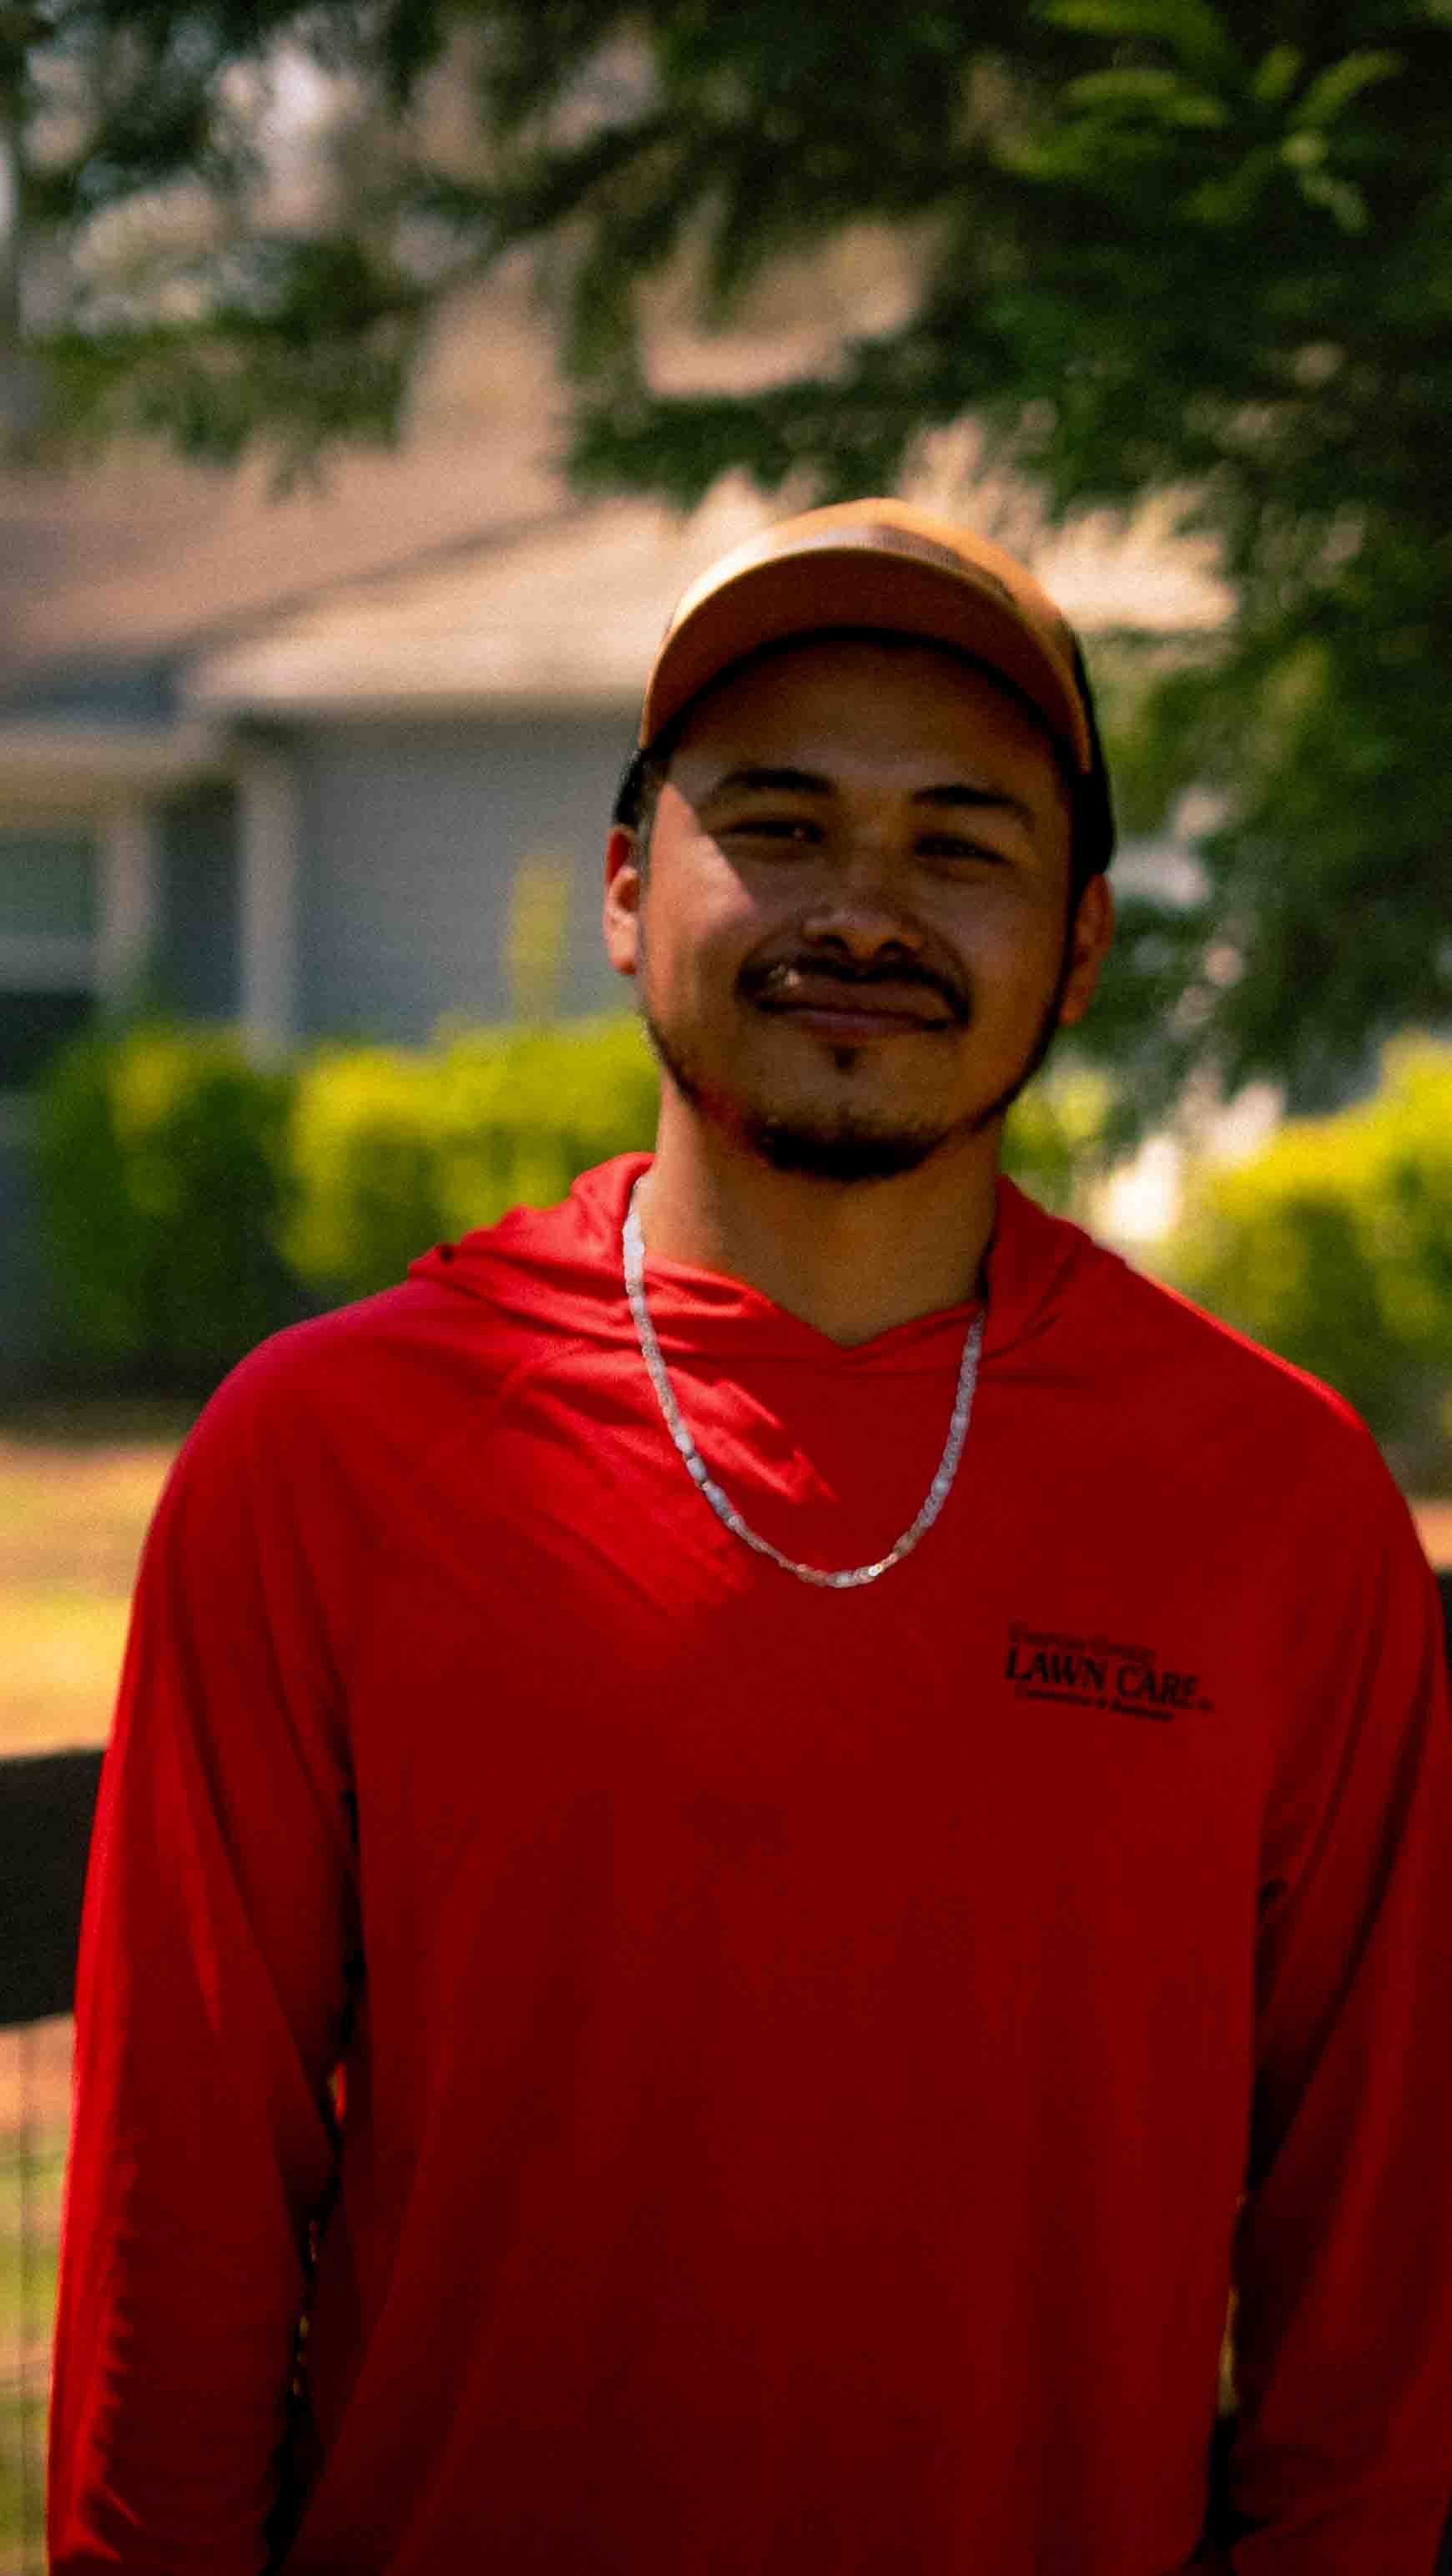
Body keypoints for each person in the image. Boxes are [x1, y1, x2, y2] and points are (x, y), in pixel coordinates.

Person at [49, 500, 1452, 2576]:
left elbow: (1375, 2315)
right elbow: (179, 2238)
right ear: (628, 890)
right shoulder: (324, 1463)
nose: (861, 911)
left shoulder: (1282, 1508)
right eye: (779, 827)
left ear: (1079, 943)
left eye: (960, 845)